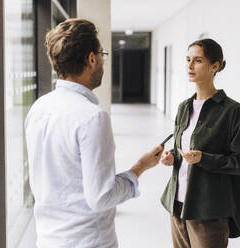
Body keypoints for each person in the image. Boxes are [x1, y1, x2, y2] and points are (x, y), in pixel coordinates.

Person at [25, 18, 163, 248]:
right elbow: (101, 197)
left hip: (48, 239)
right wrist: (139, 168)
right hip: (88, 241)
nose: (102, 61)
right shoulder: (92, 117)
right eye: (102, 54)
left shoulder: (39, 108)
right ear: (91, 59)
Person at [161, 38, 240, 248]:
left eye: (198, 60)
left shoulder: (231, 111)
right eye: (188, 60)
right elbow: (180, 148)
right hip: (177, 206)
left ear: (215, 66)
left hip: (208, 210)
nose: (190, 66)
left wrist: (204, 158)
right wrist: (172, 156)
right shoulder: (184, 107)